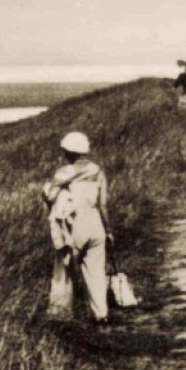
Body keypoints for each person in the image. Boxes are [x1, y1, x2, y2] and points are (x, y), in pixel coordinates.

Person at [43, 131, 113, 323]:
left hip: (74, 226)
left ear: (68, 152)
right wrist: (108, 231)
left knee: (64, 271)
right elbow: (103, 205)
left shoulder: (64, 172)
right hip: (96, 224)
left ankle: (62, 315)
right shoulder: (97, 171)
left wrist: (47, 190)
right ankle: (101, 315)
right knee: (96, 272)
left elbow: (50, 198)